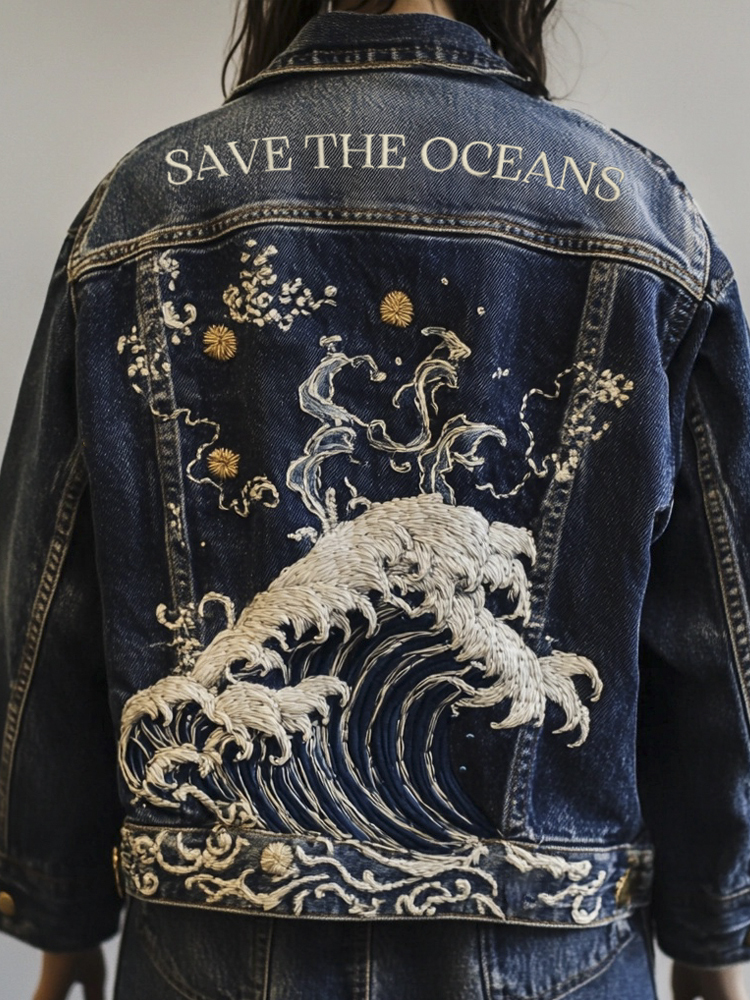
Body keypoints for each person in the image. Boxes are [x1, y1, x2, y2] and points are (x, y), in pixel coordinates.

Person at [1, 0, 749, 997]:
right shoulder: (638, 217)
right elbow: (717, 636)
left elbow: (45, 606)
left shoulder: (142, 205)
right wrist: (714, 931)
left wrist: (58, 908)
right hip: (556, 951)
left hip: (208, 942)